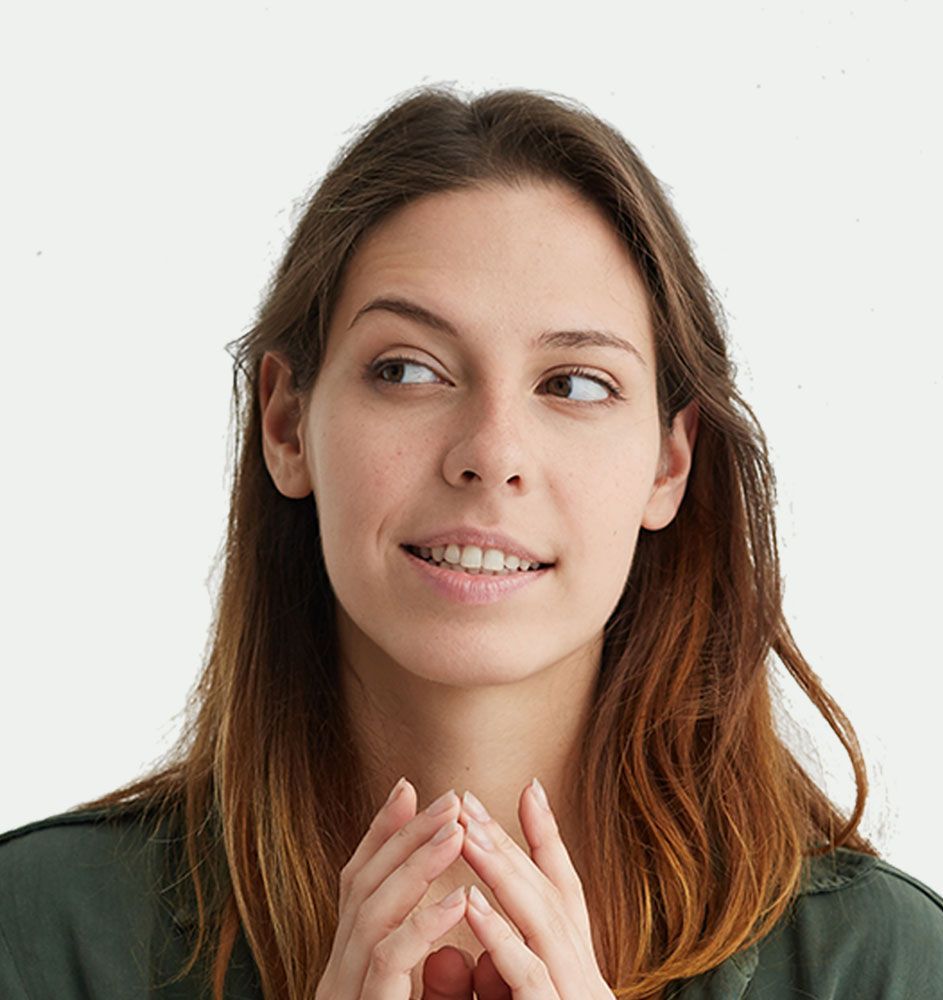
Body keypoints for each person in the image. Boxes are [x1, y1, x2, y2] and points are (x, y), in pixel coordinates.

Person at [1, 84, 941, 1000]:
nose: (490, 454)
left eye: (573, 384)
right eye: (409, 370)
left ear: (669, 461)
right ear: (287, 423)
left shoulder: (886, 967)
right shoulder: (39, 936)